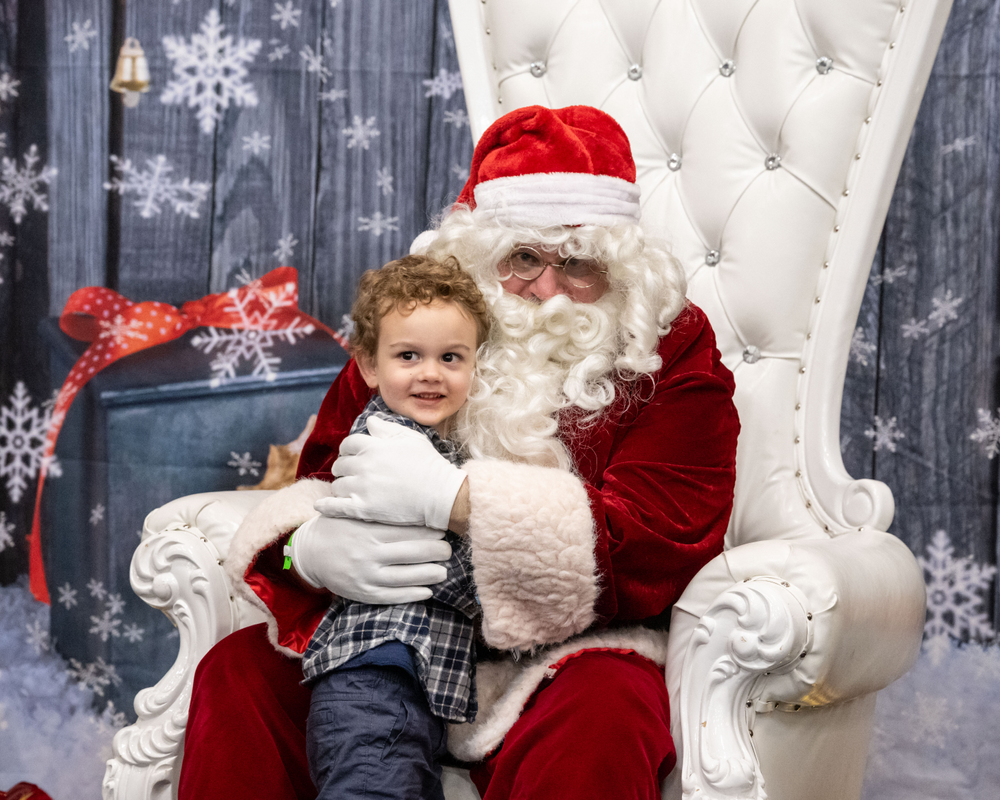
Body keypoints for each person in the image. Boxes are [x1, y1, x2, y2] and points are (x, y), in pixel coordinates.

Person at [180, 105, 740, 800]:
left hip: (564, 655)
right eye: (524, 259)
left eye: (581, 265)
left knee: (605, 711)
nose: (550, 291)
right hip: (387, 636)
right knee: (237, 673)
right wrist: (309, 551)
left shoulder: (668, 345)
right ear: (481, 257)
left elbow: (666, 538)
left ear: (621, 270)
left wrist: (460, 501)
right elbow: (327, 472)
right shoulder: (422, 329)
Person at [299, 255, 490, 798]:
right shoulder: (383, 442)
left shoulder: (450, 444)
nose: (430, 373)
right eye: (409, 355)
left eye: (450, 357)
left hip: (416, 681)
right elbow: (441, 568)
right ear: (368, 366)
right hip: (373, 674)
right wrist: (297, 552)